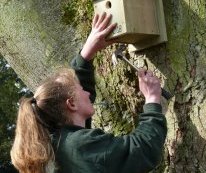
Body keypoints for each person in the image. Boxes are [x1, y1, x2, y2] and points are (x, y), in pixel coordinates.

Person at [10, 12, 167, 173]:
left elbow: (71, 89)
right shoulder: (80, 147)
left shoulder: (56, 142)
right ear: (71, 104)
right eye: (82, 91)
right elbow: (141, 152)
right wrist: (152, 100)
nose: (88, 93)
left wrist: (86, 53)